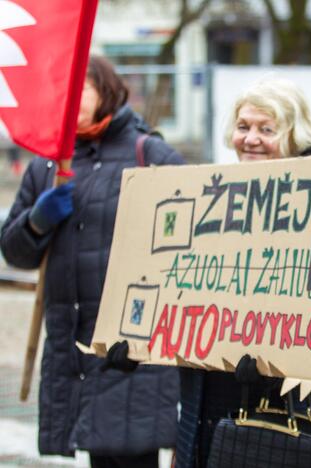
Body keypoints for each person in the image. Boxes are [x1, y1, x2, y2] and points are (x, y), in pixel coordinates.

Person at [0, 56, 183, 467]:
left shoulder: (148, 153)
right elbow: (15, 252)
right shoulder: (47, 164)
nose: (72, 98)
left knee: (131, 454)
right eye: (65, 89)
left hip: (130, 348)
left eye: (83, 87)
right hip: (72, 346)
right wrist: (36, 221)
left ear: (108, 91)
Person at [174, 78, 311, 468]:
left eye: (267, 129)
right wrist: (141, 343)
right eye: (244, 126)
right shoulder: (218, 197)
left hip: (286, 410)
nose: (251, 139)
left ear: (295, 135)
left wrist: (275, 362)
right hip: (209, 395)